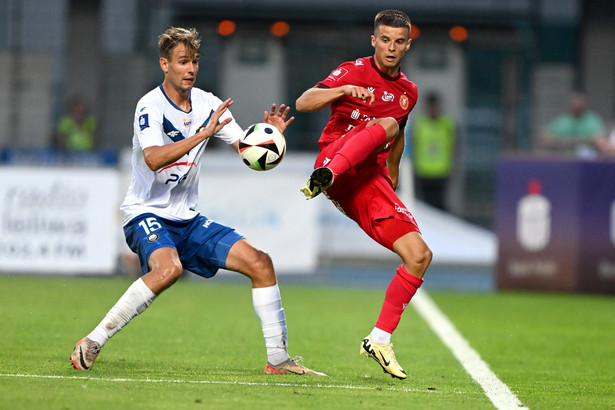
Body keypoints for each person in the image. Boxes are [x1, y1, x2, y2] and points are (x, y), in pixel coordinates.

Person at [69, 26, 325, 377]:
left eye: (195, 62)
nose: (190, 69)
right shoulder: (150, 106)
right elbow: (154, 159)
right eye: (182, 62)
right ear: (165, 64)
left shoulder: (208, 104)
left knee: (261, 263)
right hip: (146, 212)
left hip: (186, 219)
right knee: (169, 269)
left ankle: (278, 360)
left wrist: (269, 140)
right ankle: (93, 340)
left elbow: (248, 154)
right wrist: (202, 135)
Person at [296, 10, 431, 379]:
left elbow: (398, 134)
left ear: (407, 44)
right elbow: (304, 102)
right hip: (334, 162)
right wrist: (340, 90)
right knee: (382, 124)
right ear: (374, 40)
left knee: (419, 255)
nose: (391, 47)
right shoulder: (352, 71)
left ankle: (380, 338)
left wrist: (395, 173)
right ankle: (324, 176)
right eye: (384, 40)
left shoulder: (409, 93)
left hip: (367, 180)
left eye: (398, 41)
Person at [411, 92, 456, 210]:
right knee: (426, 206)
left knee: (440, 204)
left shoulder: (447, 124)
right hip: (424, 170)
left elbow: (453, 146)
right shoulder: (420, 124)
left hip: (441, 170)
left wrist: (452, 165)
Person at [539, 91, 610, 157]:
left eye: (579, 102)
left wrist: (583, 141)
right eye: (575, 103)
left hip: (588, 160)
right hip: (564, 158)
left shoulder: (591, 120)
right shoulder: (564, 120)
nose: (577, 105)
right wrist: (564, 142)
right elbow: (545, 137)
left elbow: (600, 138)